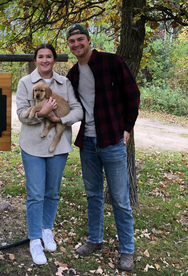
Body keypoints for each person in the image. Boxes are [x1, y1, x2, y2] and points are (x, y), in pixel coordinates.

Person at [65, 24, 140, 271]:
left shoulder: (112, 62)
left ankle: (127, 250)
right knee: (93, 195)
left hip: (112, 141)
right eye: (72, 41)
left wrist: (127, 129)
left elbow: (133, 95)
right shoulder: (73, 74)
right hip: (87, 142)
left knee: (119, 199)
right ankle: (94, 239)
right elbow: (70, 106)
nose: (76, 44)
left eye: (80, 39)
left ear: (88, 40)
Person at [16, 43, 83, 265]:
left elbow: (78, 110)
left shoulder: (64, 83)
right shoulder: (26, 83)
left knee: (52, 192)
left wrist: (59, 119)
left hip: (59, 146)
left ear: (54, 60)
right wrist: (41, 113)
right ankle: (35, 239)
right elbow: (21, 116)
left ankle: (47, 230)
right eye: (40, 57)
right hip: (32, 146)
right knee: (36, 194)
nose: (45, 60)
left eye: (49, 56)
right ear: (35, 60)